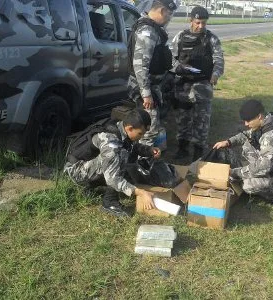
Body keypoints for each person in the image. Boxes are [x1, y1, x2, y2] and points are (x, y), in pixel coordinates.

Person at [64, 109, 161, 217]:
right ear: (130, 128)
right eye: (140, 133)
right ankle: (110, 203)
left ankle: (91, 186)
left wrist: (149, 150)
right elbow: (113, 179)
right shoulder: (111, 142)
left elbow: (130, 145)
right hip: (75, 172)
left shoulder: (121, 128)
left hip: (86, 165)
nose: (142, 137)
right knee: (119, 159)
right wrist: (141, 192)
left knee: (120, 157)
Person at [172, 6, 224, 161]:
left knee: (202, 121)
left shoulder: (211, 39)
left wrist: (215, 74)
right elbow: (170, 59)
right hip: (183, 85)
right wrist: (178, 68)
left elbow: (219, 60)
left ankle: (198, 151)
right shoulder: (180, 37)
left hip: (203, 86)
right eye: (198, 22)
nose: (201, 26)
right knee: (183, 119)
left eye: (204, 23)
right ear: (191, 21)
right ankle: (182, 149)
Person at [128, 0, 177, 146]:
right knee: (149, 129)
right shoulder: (147, 32)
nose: (169, 18)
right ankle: (142, 162)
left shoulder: (153, 29)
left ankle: (144, 159)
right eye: (169, 14)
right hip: (144, 89)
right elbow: (140, 65)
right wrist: (146, 94)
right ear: (162, 11)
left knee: (151, 125)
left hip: (151, 86)